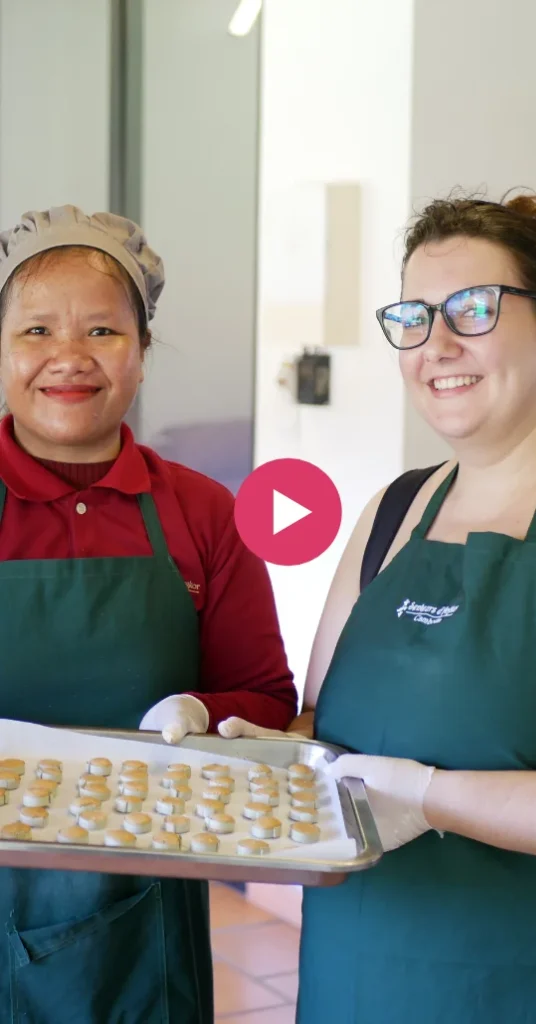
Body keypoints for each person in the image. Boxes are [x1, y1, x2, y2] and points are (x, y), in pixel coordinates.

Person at [225, 192, 536, 1022]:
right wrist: (237, 750)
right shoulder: (391, 512)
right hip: (354, 977)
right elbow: (320, 726)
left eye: (474, 309)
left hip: (528, 985)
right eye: (414, 316)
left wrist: (425, 795)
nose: (437, 344)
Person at [0, 205, 296, 1023]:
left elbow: (268, 694)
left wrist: (208, 712)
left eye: (103, 331)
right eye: (35, 331)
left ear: (142, 352)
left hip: (138, 925)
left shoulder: (201, 512)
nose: (69, 359)